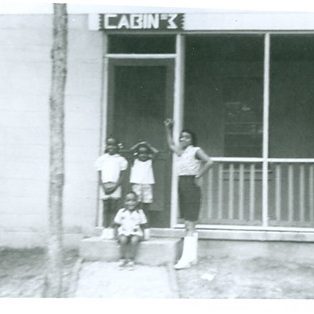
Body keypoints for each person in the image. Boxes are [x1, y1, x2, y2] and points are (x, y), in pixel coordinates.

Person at [164, 118, 213, 269]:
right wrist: (168, 129)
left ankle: (185, 260)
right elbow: (171, 144)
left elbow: (210, 161)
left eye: (186, 137)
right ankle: (192, 258)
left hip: (191, 184)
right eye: (181, 137)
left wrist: (199, 175)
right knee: (187, 222)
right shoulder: (182, 152)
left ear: (192, 140)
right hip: (182, 184)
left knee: (190, 223)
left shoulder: (195, 150)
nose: (182, 139)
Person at [94, 137, 128, 236]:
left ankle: (113, 229)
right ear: (106, 146)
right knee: (106, 207)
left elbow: (122, 176)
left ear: (117, 146)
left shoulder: (121, 160)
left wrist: (115, 186)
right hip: (104, 185)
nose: (111, 147)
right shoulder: (102, 159)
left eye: (113, 145)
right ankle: (105, 229)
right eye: (109, 144)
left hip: (115, 185)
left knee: (114, 207)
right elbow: (100, 175)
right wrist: (103, 187)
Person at [113, 191, 148, 269]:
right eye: (128, 200)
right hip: (124, 231)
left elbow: (143, 224)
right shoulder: (121, 212)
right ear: (125, 202)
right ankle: (122, 258)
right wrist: (115, 235)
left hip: (136, 232)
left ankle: (131, 259)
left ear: (137, 202)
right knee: (123, 239)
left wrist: (145, 235)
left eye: (133, 200)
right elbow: (116, 224)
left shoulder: (140, 212)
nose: (131, 203)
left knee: (134, 240)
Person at [129, 141, 159, 216]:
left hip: (147, 184)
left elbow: (157, 152)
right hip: (137, 184)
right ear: (137, 154)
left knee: (146, 204)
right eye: (141, 153)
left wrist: (148, 145)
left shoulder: (149, 161)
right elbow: (130, 151)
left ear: (148, 154)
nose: (143, 155)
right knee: (136, 203)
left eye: (145, 153)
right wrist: (139, 144)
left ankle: (145, 222)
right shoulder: (135, 161)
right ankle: (136, 220)